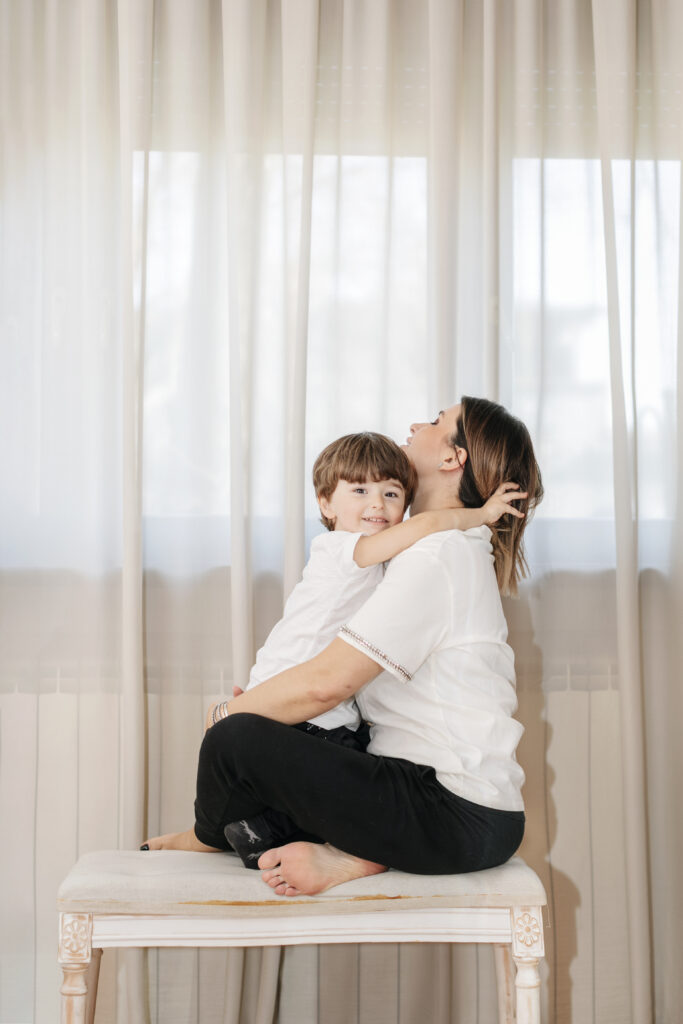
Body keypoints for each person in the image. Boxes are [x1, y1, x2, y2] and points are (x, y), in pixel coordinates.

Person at [144, 397, 543, 900]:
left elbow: (326, 684)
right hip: (443, 803)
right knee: (285, 737)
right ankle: (355, 851)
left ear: (452, 457)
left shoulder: (437, 555)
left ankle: (241, 840)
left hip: (454, 813)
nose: (417, 424)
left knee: (234, 739)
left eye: (436, 421)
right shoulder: (419, 551)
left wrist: (227, 713)